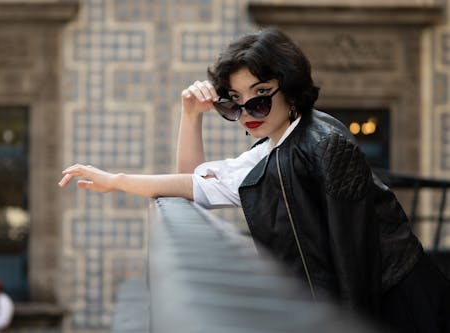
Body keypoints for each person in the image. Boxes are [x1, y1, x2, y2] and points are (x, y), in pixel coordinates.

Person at [59, 28, 450, 331]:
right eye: (234, 103)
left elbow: (355, 258)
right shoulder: (276, 147)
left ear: (289, 88)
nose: (249, 112)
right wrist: (191, 115)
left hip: (401, 300)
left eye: (261, 96)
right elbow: (192, 184)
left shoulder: (312, 145)